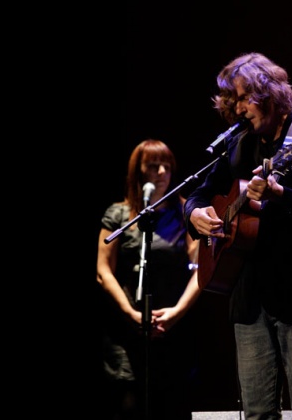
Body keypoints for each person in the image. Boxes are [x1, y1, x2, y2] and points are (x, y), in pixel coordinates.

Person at [184, 52, 292, 419]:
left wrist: (281, 194)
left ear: (270, 93)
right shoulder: (239, 143)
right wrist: (193, 213)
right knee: (257, 413)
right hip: (249, 298)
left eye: (244, 98)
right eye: (233, 101)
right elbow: (198, 192)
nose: (239, 109)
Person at [97, 139, 203, 420]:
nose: (160, 173)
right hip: (127, 328)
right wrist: (130, 313)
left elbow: (200, 269)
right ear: (138, 171)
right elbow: (103, 270)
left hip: (171, 325)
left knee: (171, 403)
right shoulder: (118, 214)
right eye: (152, 166)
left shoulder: (184, 213)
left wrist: (176, 313)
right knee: (128, 404)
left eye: (166, 166)